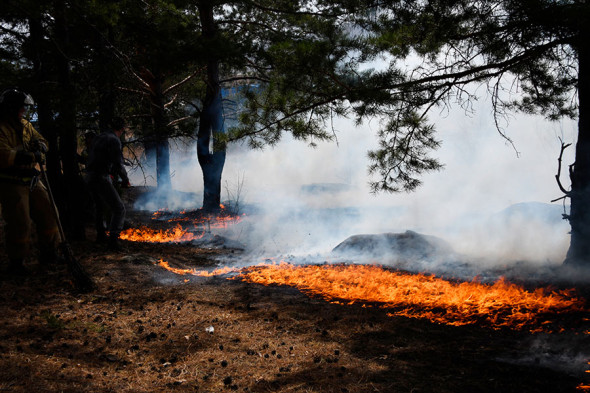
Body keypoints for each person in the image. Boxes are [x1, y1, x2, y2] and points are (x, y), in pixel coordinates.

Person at [0, 88, 61, 275]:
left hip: (33, 179)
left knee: (50, 212)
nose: (24, 112)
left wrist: (41, 146)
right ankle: (16, 263)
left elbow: (41, 140)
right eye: (21, 108)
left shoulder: (26, 124)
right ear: (10, 108)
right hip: (12, 182)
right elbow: (2, 154)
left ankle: (49, 253)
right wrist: (25, 156)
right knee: (20, 222)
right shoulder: (1, 127)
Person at [85, 116, 130, 251]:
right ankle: (113, 242)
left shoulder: (99, 137)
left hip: (89, 176)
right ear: (121, 129)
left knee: (99, 206)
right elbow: (118, 163)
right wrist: (125, 179)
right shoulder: (114, 140)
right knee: (119, 208)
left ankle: (101, 236)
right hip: (100, 177)